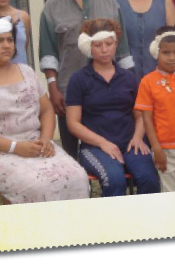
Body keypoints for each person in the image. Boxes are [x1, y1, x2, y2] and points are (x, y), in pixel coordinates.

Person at [0, 15, 89, 204]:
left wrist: (45, 138)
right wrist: (15, 147)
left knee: (77, 177)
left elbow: (46, 111)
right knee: (37, 186)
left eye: (10, 40)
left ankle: (69, 231)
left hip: (36, 145)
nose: (7, 45)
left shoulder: (27, 72)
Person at [39, 0, 134, 160]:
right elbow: (49, 52)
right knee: (71, 151)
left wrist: (131, 86)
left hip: (109, 90)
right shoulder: (52, 7)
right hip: (67, 90)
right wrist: (53, 87)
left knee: (112, 144)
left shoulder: (110, 3)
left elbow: (122, 50)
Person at [65, 19, 160, 197]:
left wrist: (138, 137)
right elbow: (73, 123)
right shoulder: (78, 79)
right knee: (115, 180)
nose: (104, 49)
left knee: (150, 179)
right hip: (95, 147)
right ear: (89, 47)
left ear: (116, 43)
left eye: (109, 44)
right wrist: (103, 143)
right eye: (98, 45)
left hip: (130, 143)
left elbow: (140, 116)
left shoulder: (128, 78)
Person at [134, 25, 175, 192]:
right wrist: (156, 148)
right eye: (166, 53)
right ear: (156, 53)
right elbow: (146, 118)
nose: (172, 58)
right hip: (165, 149)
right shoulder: (147, 82)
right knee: (169, 192)